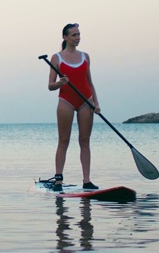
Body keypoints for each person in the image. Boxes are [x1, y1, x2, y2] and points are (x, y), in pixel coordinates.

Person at [48, 23, 101, 192]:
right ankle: (58, 180)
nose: (77, 37)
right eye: (73, 35)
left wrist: (96, 103)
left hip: (86, 100)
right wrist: (60, 83)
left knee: (85, 141)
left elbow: (90, 82)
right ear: (65, 37)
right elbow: (50, 86)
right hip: (66, 101)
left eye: (78, 34)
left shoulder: (85, 56)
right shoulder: (56, 58)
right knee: (64, 140)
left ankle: (87, 180)